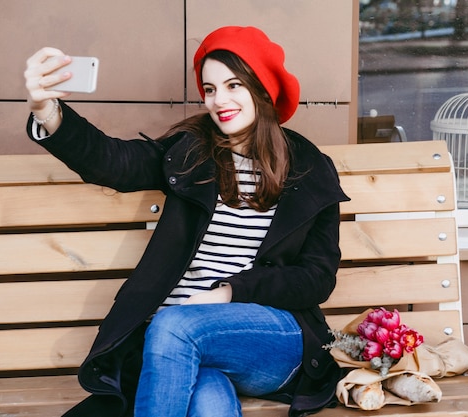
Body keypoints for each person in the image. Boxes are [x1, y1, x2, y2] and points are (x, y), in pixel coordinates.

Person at [23, 26, 349, 417]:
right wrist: (47, 111)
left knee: (174, 325)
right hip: (177, 346)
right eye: (210, 89)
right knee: (208, 400)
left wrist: (228, 292)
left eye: (233, 86)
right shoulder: (190, 154)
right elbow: (113, 163)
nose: (218, 100)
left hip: (272, 338)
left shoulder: (309, 168)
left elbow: (317, 277)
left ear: (263, 89)